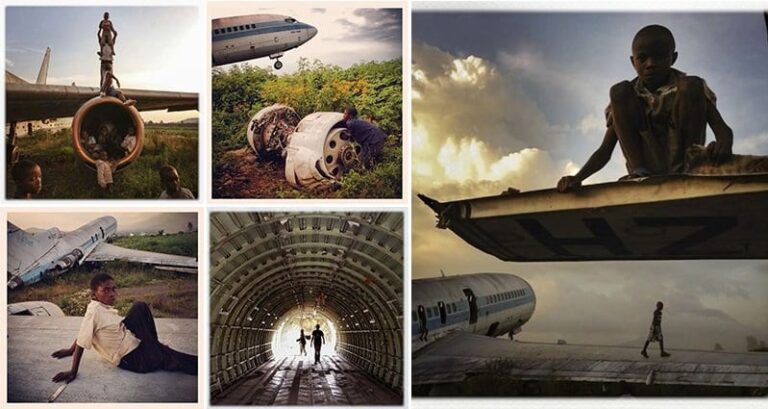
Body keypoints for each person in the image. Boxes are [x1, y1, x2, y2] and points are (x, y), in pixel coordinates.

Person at [557, 24, 733, 193]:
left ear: (673, 58)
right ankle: (639, 171)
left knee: (692, 83)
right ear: (633, 62)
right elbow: (605, 150)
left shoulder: (688, 87)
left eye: (660, 57)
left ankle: (690, 165)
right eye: (643, 58)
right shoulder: (627, 97)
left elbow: (723, 131)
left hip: (684, 159)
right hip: (647, 164)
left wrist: (723, 145)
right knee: (618, 90)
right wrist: (578, 177)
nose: (650, 64)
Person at [51, 273, 197, 383]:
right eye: (106, 290)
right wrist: (73, 371)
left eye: (114, 289)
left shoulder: (99, 308)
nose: (112, 294)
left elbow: (84, 331)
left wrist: (70, 350)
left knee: (140, 307)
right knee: (176, 359)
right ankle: (157, 352)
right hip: (132, 359)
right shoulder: (94, 311)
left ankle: (154, 347)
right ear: (94, 294)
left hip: (130, 341)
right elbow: (83, 341)